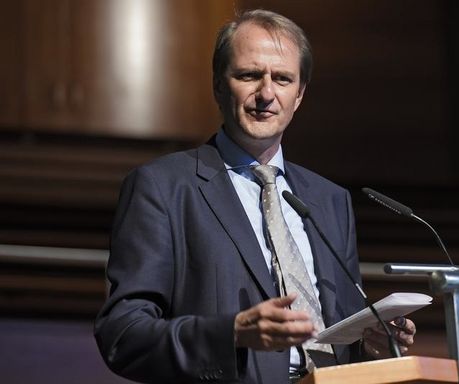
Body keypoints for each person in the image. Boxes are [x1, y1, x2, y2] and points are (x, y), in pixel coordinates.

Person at [95, 9, 416, 384]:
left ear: (299, 96)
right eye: (249, 75)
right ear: (218, 84)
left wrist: (370, 342)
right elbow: (123, 335)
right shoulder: (162, 188)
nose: (266, 94)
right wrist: (230, 334)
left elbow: (335, 337)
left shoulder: (330, 201)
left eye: (282, 79)